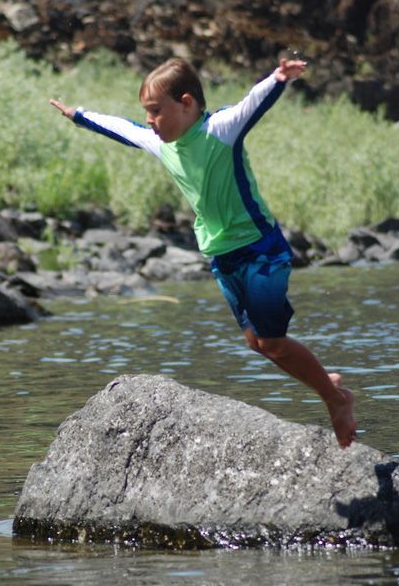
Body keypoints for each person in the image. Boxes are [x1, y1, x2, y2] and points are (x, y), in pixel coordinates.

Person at [49, 57, 357, 448]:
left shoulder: (220, 130)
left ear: (187, 103)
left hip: (260, 249)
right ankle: (323, 380)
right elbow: (120, 128)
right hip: (221, 256)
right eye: (148, 113)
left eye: (156, 111)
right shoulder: (163, 144)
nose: (150, 121)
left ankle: (336, 399)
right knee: (256, 342)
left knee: (274, 342)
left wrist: (278, 78)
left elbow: (252, 103)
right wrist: (78, 115)